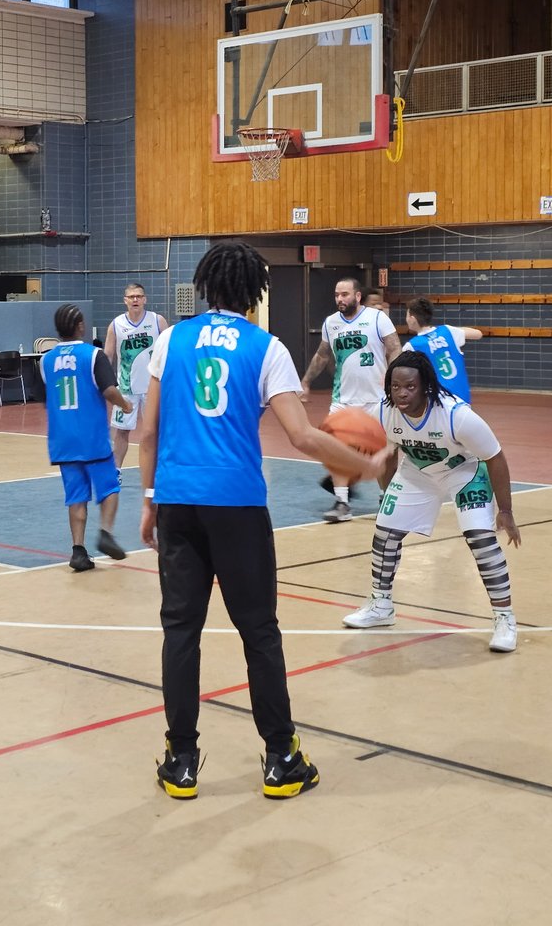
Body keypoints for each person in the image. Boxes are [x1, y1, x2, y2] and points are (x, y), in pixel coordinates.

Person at [138, 242, 393, 800]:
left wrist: (150, 498)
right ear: (254, 293)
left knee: (180, 631)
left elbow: (149, 430)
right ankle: (281, 758)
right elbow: (302, 436)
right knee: (259, 632)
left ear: (206, 287)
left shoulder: (169, 340)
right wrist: (367, 463)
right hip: (237, 504)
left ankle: (181, 760)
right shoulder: (265, 346)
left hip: (179, 500)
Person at [342, 352, 520, 652]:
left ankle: (505, 618)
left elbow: (495, 457)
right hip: (417, 473)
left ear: (425, 386)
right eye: (395, 386)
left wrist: (505, 510)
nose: (402, 392)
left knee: (481, 541)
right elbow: (388, 456)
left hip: (463, 471)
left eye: (409, 386)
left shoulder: (456, 415)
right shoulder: (385, 413)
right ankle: (381, 606)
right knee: (384, 533)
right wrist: (387, 497)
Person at [41, 303, 133, 572]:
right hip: (91, 437)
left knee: (76, 497)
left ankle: (78, 551)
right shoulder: (93, 356)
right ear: (80, 326)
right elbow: (109, 391)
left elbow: (45, 398)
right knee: (110, 488)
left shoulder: (45, 361)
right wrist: (125, 405)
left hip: (63, 440)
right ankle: (105, 532)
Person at [300, 277, 400, 522]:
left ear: (357, 296)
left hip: (376, 398)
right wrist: (305, 381)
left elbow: (394, 348)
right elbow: (322, 355)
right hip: (342, 399)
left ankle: (384, 496)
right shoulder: (331, 323)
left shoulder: (377, 318)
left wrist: (393, 380)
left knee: (383, 451)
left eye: (344, 294)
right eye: (336, 295)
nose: (339, 299)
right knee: (336, 448)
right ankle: (342, 502)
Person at [104, 283, 167, 470]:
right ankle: (115, 471)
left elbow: (169, 351)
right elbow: (107, 355)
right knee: (121, 433)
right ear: (125, 301)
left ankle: (161, 470)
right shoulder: (116, 325)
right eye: (131, 297)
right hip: (126, 389)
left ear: (145, 299)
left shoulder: (157, 321)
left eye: (139, 296)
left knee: (155, 432)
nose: (135, 300)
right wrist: (104, 383)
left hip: (152, 388)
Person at [403, 296, 483, 403]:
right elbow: (478, 334)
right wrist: (453, 332)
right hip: (462, 398)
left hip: (439, 402)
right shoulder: (448, 331)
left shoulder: (412, 346)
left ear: (412, 319)